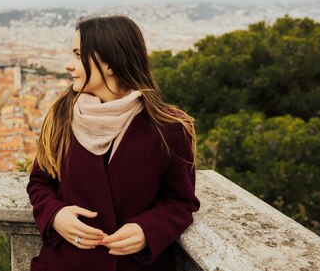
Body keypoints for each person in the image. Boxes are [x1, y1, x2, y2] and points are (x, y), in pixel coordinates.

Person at [27, 15, 200, 271]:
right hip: (65, 263)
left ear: (109, 63)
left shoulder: (170, 128)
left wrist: (147, 229)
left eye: (78, 55)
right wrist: (55, 215)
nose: (68, 65)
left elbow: (181, 201)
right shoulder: (61, 116)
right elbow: (40, 182)